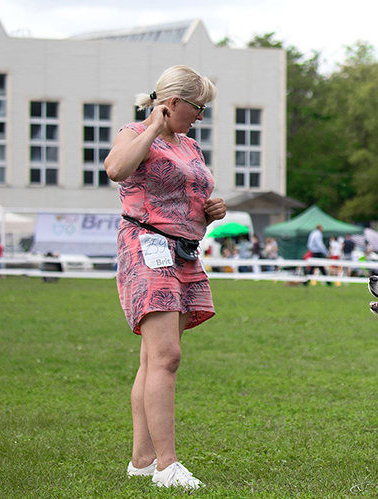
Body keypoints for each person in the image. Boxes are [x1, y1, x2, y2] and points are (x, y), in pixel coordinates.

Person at [104, 65, 225, 490]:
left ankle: (141, 460)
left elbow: (188, 198)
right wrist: (152, 126)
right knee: (166, 357)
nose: (200, 117)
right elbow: (116, 170)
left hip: (183, 252)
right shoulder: (134, 132)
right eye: (197, 108)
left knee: (153, 360)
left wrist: (211, 211)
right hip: (146, 248)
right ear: (172, 103)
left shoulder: (190, 146)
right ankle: (167, 466)